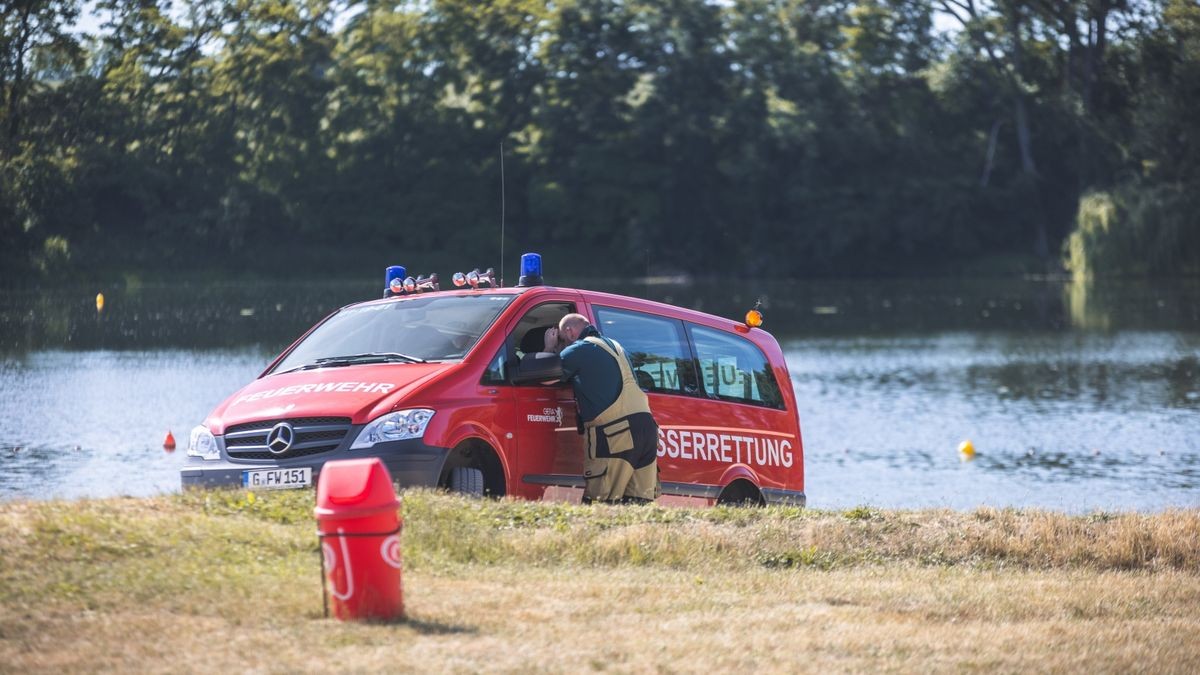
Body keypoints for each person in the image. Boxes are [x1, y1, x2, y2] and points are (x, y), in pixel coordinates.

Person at [545, 314, 659, 504]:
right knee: (638, 504)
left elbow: (546, 376)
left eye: (563, 341)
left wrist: (550, 348)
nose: (563, 346)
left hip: (615, 433)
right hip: (647, 429)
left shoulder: (581, 349)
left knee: (599, 504)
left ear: (569, 332)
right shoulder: (615, 346)